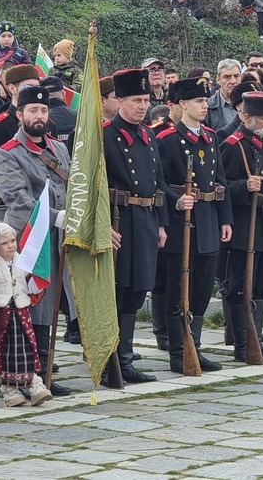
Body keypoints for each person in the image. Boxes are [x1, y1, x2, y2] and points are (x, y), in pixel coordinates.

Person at [0, 85, 74, 396]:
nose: (39, 116)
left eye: (42, 111)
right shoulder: (7, 152)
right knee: (34, 304)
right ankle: (34, 372)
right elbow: (18, 199)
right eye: (32, 111)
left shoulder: (58, 148)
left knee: (52, 303)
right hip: (28, 239)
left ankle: (45, 370)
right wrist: (56, 216)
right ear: (19, 114)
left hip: (61, 235)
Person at [155, 77, 231, 373]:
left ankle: (194, 346)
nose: (204, 106)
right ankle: (178, 352)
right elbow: (159, 181)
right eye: (199, 101)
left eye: (205, 101)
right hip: (180, 223)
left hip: (209, 220)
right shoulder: (167, 139)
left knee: (201, 287)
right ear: (183, 104)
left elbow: (220, 180)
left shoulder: (211, 137)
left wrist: (225, 218)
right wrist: (176, 200)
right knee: (178, 288)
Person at [102, 69, 171, 384]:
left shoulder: (148, 135)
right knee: (116, 291)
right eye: (135, 100)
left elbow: (158, 182)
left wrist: (162, 223)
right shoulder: (103, 135)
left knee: (136, 292)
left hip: (145, 220)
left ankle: (126, 358)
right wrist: (102, 224)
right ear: (119, 101)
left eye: (145, 100)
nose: (142, 106)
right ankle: (111, 360)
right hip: (118, 221)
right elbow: (92, 186)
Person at [219, 92, 263, 362]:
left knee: (262, 285)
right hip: (246, 224)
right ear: (245, 116)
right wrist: (243, 187)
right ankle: (243, 344)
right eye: (262, 118)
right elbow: (220, 186)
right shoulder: (232, 145)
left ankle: (256, 339)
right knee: (240, 285)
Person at [0, 223, 52, 407]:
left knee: (27, 347)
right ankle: (11, 391)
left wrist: (39, 275)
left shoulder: (22, 262)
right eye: (4, 243)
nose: (10, 246)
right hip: (1, 312)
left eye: (12, 241)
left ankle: (35, 385)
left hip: (22, 311)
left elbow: (32, 286)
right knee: (6, 350)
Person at [0, 21, 33, 89]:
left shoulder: (22, 53)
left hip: (18, 85)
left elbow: (30, 70)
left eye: (9, 36)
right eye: (3, 36)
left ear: (14, 37)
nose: (6, 39)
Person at [206, 59, 242, 130]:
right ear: (218, 79)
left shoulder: (249, 103)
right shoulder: (208, 107)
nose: (233, 81)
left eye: (236, 76)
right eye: (227, 77)